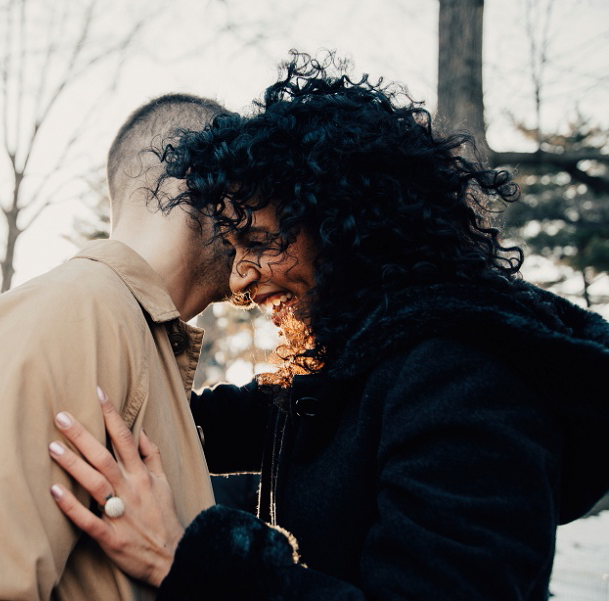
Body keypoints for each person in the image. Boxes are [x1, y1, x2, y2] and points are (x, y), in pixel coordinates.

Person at [49, 53, 609, 600]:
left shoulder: (463, 379)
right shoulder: (360, 368)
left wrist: (185, 559)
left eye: (260, 244)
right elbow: (222, 421)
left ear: (346, 227)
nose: (241, 282)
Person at [0, 93, 233, 601]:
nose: (254, 223)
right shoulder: (73, 312)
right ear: (193, 181)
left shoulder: (135, 334)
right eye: (241, 194)